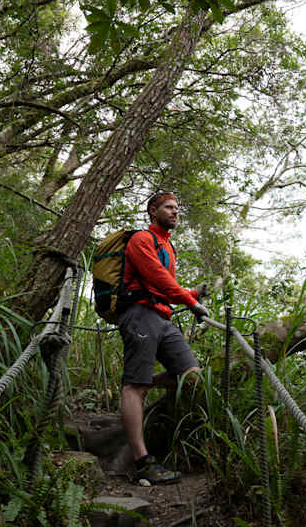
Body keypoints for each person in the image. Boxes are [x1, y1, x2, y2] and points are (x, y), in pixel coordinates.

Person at [118, 191, 209, 485]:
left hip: (163, 317)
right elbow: (156, 277)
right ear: (152, 210)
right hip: (139, 314)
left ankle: (144, 384)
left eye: (177, 208)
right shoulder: (141, 240)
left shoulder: (167, 245)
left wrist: (192, 294)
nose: (175, 212)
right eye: (169, 207)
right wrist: (190, 302)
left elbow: (166, 285)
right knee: (134, 386)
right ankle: (142, 461)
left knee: (191, 375)